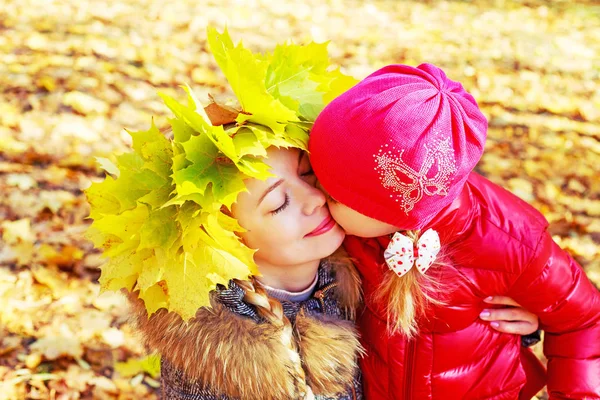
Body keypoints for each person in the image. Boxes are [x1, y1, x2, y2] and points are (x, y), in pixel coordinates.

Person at [309, 63, 600, 399]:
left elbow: (583, 320)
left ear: (390, 212)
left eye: (332, 194)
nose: (313, 197)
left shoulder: (510, 241)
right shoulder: (342, 227)